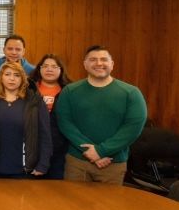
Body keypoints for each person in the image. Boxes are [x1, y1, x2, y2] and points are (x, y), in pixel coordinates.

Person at [55, 45, 147, 185]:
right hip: (78, 163)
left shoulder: (131, 93)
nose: (99, 63)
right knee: (72, 205)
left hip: (113, 164)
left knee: (109, 206)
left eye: (104, 59)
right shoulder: (69, 91)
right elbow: (65, 123)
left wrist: (101, 151)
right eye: (93, 59)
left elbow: (133, 127)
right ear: (85, 64)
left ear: (112, 64)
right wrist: (91, 152)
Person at [0, 62, 51, 178]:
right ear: (1, 77)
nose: (12, 78)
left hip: (23, 168)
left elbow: (45, 135)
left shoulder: (35, 101)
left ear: (23, 79)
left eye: (17, 75)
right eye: (7, 74)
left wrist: (43, 164)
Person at [30, 54, 71, 179]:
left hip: (59, 149)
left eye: (54, 66)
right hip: (33, 147)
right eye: (45, 66)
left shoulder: (69, 90)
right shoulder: (28, 88)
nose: (49, 69)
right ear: (39, 69)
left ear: (61, 70)